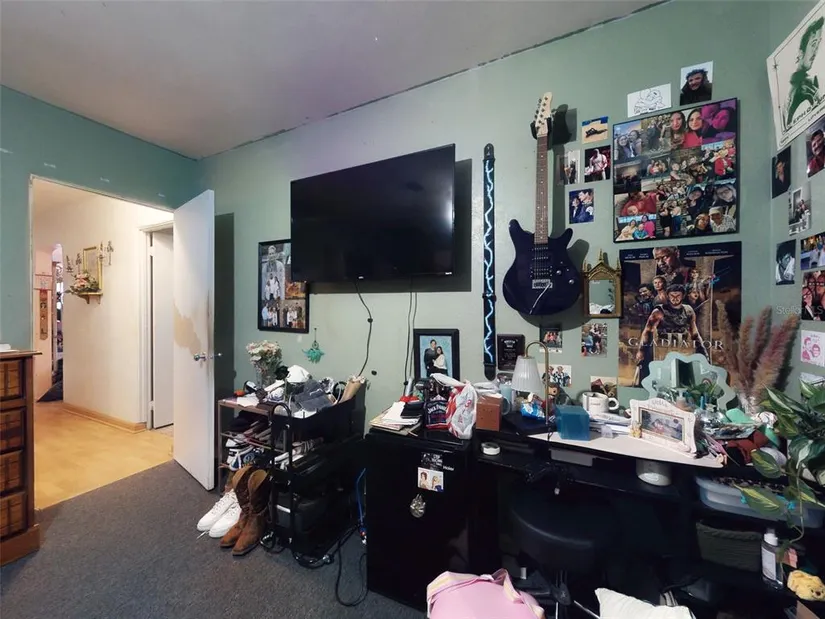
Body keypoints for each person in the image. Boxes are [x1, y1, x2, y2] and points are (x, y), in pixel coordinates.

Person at [635, 284, 708, 384]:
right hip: (663, 350)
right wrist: (641, 350)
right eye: (672, 296)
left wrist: (703, 350)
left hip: (683, 349)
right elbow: (647, 331)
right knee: (663, 379)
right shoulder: (659, 311)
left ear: (683, 296)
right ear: (668, 296)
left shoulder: (688, 311)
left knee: (683, 380)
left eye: (678, 296)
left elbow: (694, 333)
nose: (675, 298)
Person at [785, 16, 824, 127]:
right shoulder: (792, 88)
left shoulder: (812, 82)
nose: (815, 51)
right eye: (813, 44)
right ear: (801, 52)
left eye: (818, 44)